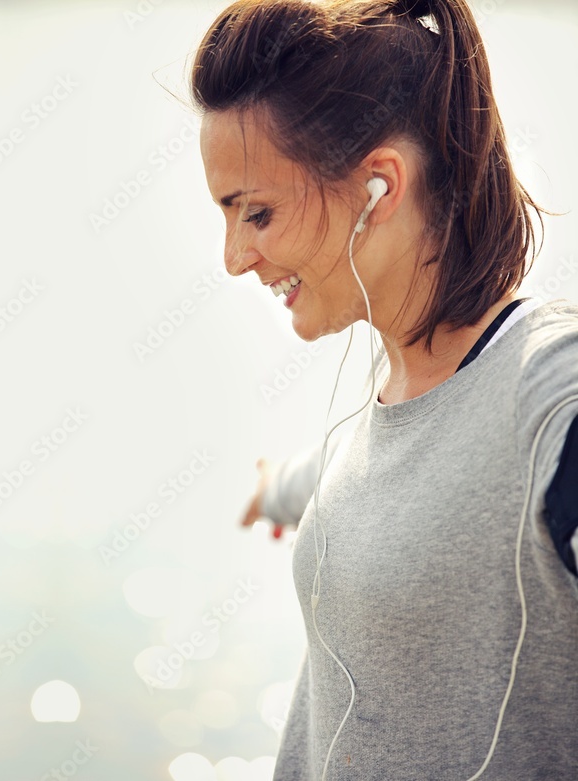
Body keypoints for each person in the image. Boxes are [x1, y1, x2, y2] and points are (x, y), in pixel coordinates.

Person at [190, 0, 578, 778]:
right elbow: (390, 475)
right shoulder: (391, 387)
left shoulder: (548, 387)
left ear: (379, 187)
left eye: (256, 213)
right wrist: (276, 491)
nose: (235, 258)